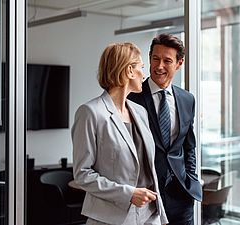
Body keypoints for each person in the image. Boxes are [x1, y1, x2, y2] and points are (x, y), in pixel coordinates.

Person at [71, 42, 168, 225]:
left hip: (149, 214)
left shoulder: (140, 112)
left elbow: (148, 169)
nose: (144, 74)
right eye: (141, 68)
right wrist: (128, 194)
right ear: (129, 71)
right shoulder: (90, 112)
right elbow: (82, 174)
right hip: (110, 218)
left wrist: (159, 215)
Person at [128, 33, 202, 225]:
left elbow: (189, 145)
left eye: (167, 61)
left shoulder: (187, 99)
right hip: (146, 195)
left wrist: (190, 178)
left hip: (181, 194)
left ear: (179, 63)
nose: (159, 66)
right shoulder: (131, 98)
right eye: (155, 59)